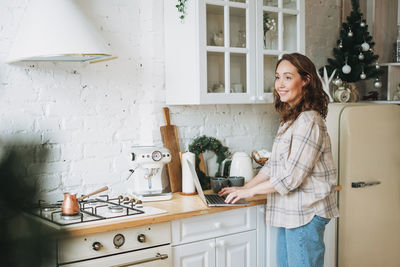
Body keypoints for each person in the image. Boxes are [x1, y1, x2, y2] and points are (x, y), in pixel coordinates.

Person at [219, 53, 339, 267]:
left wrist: (249, 192)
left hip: (306, 214)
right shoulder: (291, 120)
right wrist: (244, 187)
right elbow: (274, 166)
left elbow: (290, 177)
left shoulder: (309, 120)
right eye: (277, 77)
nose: (280, 85)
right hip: (292, 213)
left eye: (287, 77)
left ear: (305, 80)